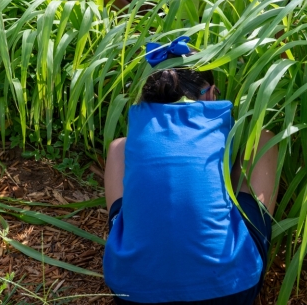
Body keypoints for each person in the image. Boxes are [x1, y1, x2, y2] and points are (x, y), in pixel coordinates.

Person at [103, 35, 278, 304]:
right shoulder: (216, 113)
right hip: (229, 288)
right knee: (263, 138)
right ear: (209, 93)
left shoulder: (140, 120)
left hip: (133, 293)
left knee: (118, 148)